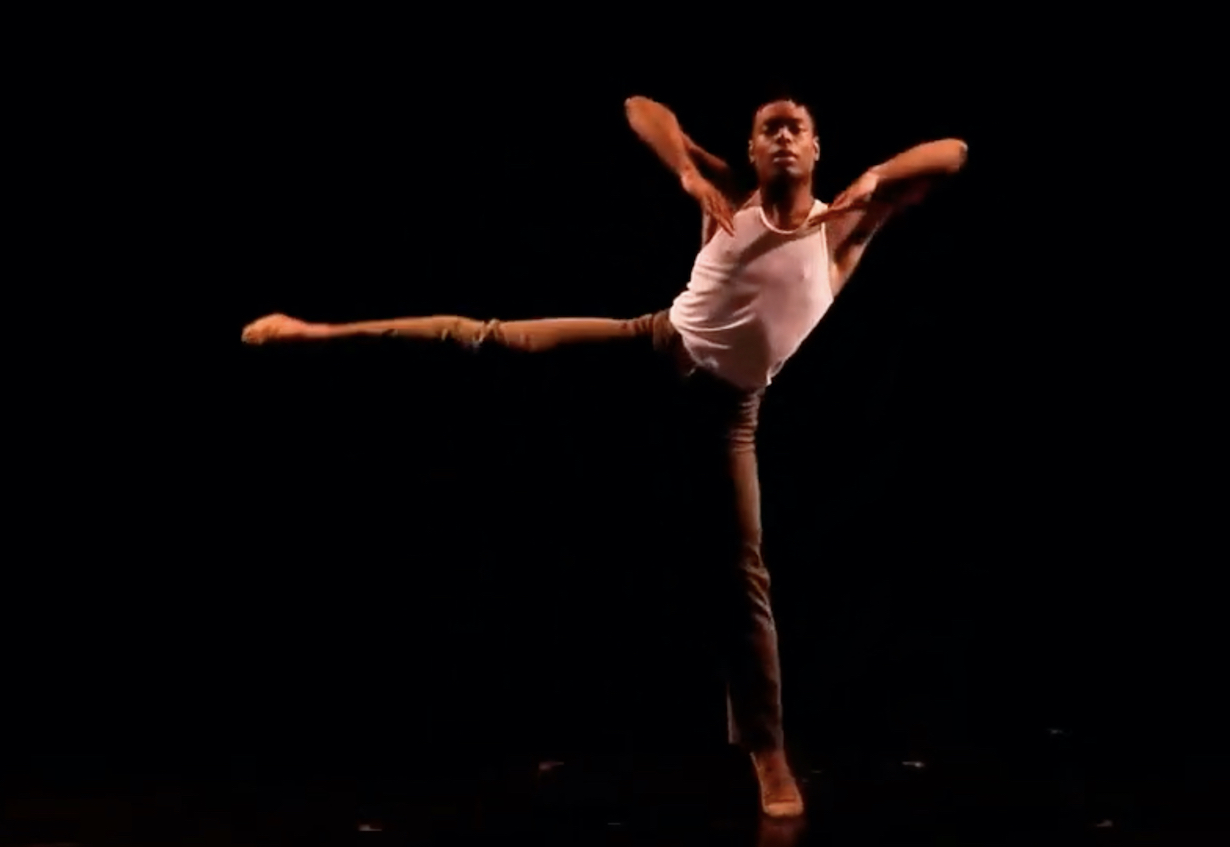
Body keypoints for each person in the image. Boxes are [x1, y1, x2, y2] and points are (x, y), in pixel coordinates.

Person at [240, 94, 967, 817]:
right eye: (768, 128)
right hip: (651, 346)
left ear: (815, 150)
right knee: (494, 337)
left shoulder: (841, 231)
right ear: (752, 151)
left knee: (744, 575)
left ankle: (769, 756)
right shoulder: (731, 193)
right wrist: (686, 170)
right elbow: (639, 107)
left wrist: (876, 174)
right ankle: (320, 332)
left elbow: (954, 153)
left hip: (729, 416)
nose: (781, 136)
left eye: (795, 128)